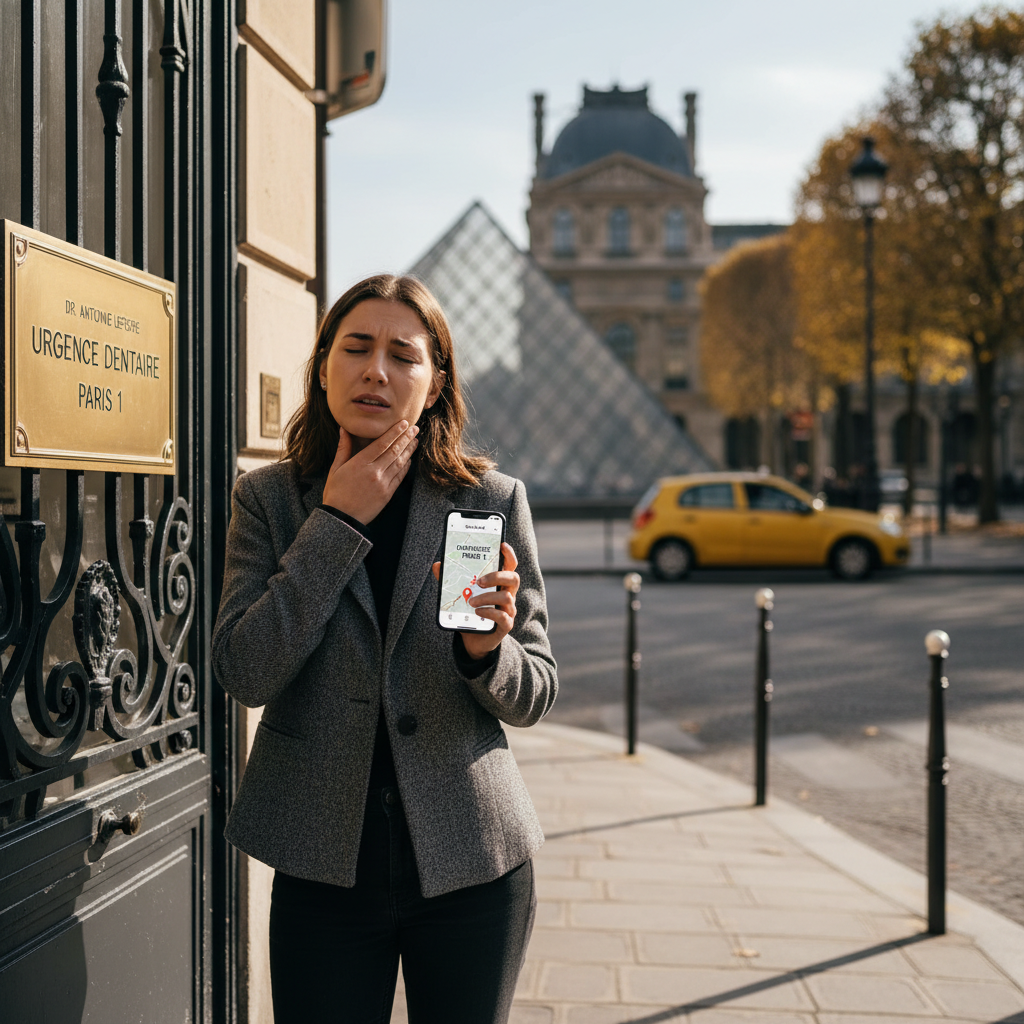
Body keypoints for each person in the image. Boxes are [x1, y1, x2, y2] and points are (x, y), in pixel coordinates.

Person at [212, 274, 557, 1023]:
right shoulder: (268, 501)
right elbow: (244, 669)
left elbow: (535, 691)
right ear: (324, 366)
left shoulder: (491, 500)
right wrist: (336, 523)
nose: (376, 370)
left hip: (473, 859)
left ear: (435, 384)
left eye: (404, 354)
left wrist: (486, 654)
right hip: (321, 862)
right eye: (357, 347)